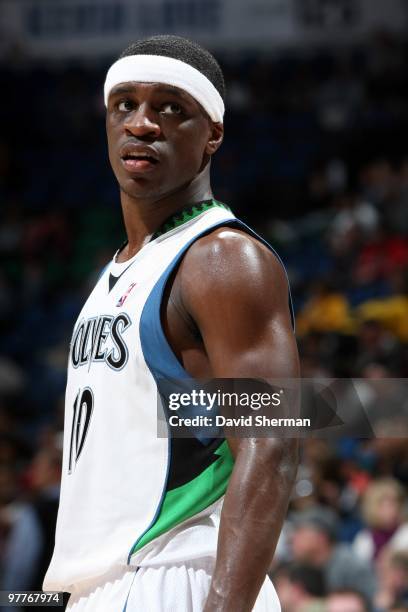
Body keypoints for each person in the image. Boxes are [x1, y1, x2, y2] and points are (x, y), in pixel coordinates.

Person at [43, 34, 299, 612]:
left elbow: (273, 441)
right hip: (103, 584)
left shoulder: (222, 259)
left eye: (170, 108)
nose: (142, 123)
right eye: (125, 105)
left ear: (212, 134)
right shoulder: (119, 268)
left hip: (178, 575)